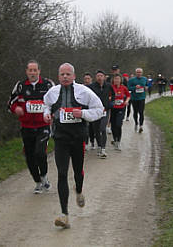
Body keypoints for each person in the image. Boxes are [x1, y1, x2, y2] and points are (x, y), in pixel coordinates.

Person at [43, 63, 103, 229]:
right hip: (61, 139)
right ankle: (64, 215)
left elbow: (99, 109)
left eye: (68, 74)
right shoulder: (52, 92)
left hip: (78, 138)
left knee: (78, 172)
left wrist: (83, 113)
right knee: (62, 173)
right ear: (58, 76)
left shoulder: (85, 92)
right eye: (62, 74)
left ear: (74, 76)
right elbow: (45, 105)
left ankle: (79, 190)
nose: (65, 77)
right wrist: (47, 115)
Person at [8, 60, 54, 194]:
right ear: (26, 72)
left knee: (40, 152)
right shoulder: (20, 86)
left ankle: (44, 176)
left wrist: (51, 114)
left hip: (43, 125)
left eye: (35, 70)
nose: (33, 73)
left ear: (39, 71)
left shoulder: (48, 84)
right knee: (29, 156)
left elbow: (57, 101)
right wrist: (15, 109)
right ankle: (38, 182)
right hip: (26, 126)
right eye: (30, 70)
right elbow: (10, 103)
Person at [89, 70, 115, 158]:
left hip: (105, 110)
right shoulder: (91, 87)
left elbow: (113, 95)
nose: (99, 77)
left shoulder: (108, 86)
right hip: (95, 111)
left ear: (104, 77)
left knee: (102, 128)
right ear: (96, 78)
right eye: (98, 76)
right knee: (96, 129)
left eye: (101, 76)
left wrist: (110, 104)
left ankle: (103, 149)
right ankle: (99, 146)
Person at [111, 74, 130, 150]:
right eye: (115, 79)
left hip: (121, 108)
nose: (116, 80)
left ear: (120, 80)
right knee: (113, 125)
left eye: (118, 79)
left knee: (118, 125)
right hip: (112, 108)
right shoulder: (111, 87)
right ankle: (115, 139)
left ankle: (118, 141)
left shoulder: (124, 87)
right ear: (113, 80)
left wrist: (126, 101)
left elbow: (128, 95)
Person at [128, 68, 148, 133]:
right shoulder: (131, 80)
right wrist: (135, 87)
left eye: (140, 72)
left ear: (142, 73)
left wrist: (146, 87)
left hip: (142, 98)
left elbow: (147, 85)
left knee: (141, 112)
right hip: (134, 98)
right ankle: (136, 123)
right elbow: (128, 88)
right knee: (135, 112)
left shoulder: (145, 79)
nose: (139, 73)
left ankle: (141, 126)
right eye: (137, 72)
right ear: (135, 73)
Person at [83, 72, 95, 151]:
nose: (87, 80)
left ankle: (92, 142)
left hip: (93, 109)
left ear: (91, 79)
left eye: (88, 79)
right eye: (85, 79)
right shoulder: (81, 87)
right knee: (85, 128)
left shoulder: (94, 87)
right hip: (84, 109)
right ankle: (86, 143)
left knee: (92, 127)